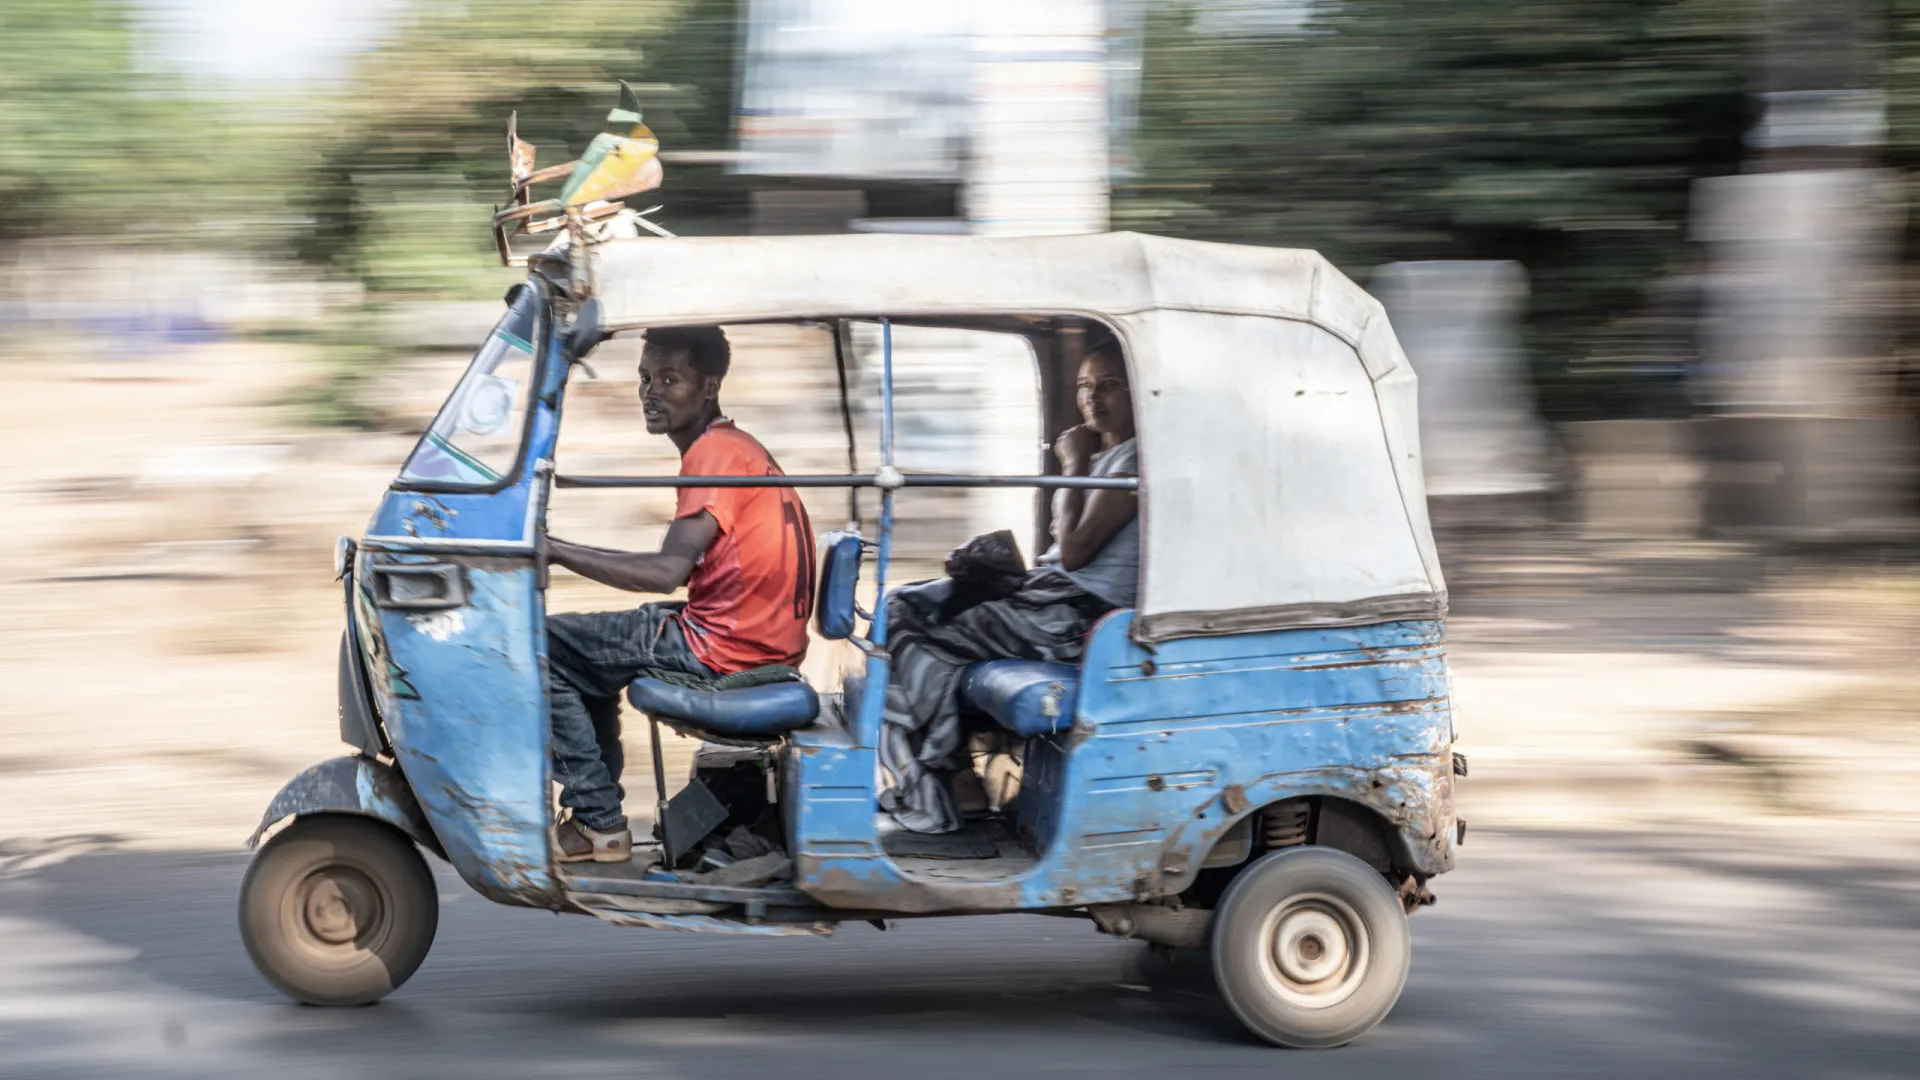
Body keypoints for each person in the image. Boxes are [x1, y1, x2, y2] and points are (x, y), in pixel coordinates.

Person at [542, 326, 815, 862]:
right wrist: (558, 548)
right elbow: (680, 567)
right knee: (586, 648)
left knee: (543, 646)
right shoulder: (734, 447)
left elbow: (666, 569)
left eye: (669, 379)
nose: (650, 392)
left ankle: (597, 823)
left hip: (722, 648)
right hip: (749, 636)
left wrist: (552, 550)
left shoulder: (714, 453)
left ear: (708, 387)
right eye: (645, 378)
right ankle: (597, 814)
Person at [878, 334, 1139, 834]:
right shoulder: (1105, 458)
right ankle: (955, 781)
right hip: (1052, 598)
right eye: (1084, 386)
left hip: (1076, 618)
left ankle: (947, 782)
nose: (1092, 398)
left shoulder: (1131, 464)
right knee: (907, 613)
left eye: (1109, 385)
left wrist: (1071, 463)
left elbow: (1076, 550)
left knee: (905, 618)